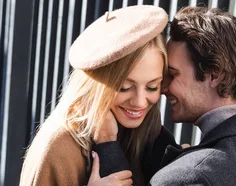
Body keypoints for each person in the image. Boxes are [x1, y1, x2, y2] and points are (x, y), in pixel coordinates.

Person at [94, 6, 236, 185]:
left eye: (172, 74)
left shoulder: (190, 177)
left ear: (214, 75)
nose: (163, 87)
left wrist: (107, 144)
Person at [19, 5, 179, 186]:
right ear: (97, 86)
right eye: (125, 88)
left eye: (152, 87)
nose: (139, 102)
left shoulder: (150, 132)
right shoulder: (58, 146)